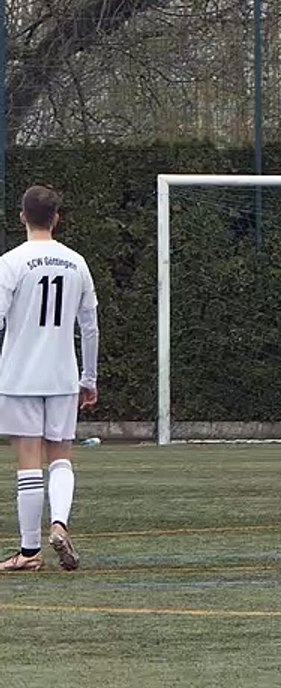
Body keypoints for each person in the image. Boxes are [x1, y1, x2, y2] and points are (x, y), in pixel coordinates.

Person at [0, 186, 99, 571]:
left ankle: (29, 553)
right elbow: (89, 326)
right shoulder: (78, 263)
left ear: (22, 216)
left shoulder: (11, 262)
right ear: (56, 219)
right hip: (62, 375)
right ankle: (58, 524)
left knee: (28, 459)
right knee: (60, 455)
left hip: (19, 376)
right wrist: (88, 377)